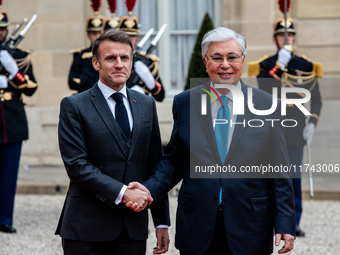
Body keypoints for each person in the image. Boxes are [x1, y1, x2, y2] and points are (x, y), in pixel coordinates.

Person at [127, 27, 296, 255]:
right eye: (216, 58)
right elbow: (175, 161)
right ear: (205, 62)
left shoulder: (266, 104)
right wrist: (148, 190)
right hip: (197, 224)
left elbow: (279, 169)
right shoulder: (185, 102)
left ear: (243, 60)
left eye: (232, 57)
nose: (225, 64)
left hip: (250, 225)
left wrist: (285, 223)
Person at [55, 29, 170, 255]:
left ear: (131, 61)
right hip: (86, 228)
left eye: (124, 57)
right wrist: (123, 192)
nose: (119, 64)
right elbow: (77, 166)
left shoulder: (146, 104)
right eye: (111, 58)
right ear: (96, 63)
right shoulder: (75, 105)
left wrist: (161, 222)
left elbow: (155, 164)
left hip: (132, 229)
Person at [248, 18, 322, 237]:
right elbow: (264, 89)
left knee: (293, 179)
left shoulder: (305, 66)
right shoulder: (267, 65)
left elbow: (316, 100)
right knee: (269, 178)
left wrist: (311, 124)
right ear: (274, 39)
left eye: (290, 35)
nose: (286, 38)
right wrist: (278, 66)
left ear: (294, 38)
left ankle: (294, 222)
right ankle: (269, 221)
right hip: (270, 129)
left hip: (295, 131)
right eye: (282, 35)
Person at [0, 9, 38, 233]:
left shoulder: (19, 55)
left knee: (8, 174)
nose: (1, 33)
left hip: (11, 120)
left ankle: (5, 219)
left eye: (3, 29)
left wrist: (14, 73)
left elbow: (32, 88)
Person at [117, 13, 165, 102]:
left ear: (138, 39)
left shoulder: (148, 62)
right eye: (126, 35)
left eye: (133, 36)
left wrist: (150, 82)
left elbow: (160, 96)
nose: (130, 39)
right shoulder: (110, 59)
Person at [67, 12, 104, 93]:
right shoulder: (81, 55)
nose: (97, 37)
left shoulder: (110, 55)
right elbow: (72, 82)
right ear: (88, 35)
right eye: (94, 33)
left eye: (100, 33)